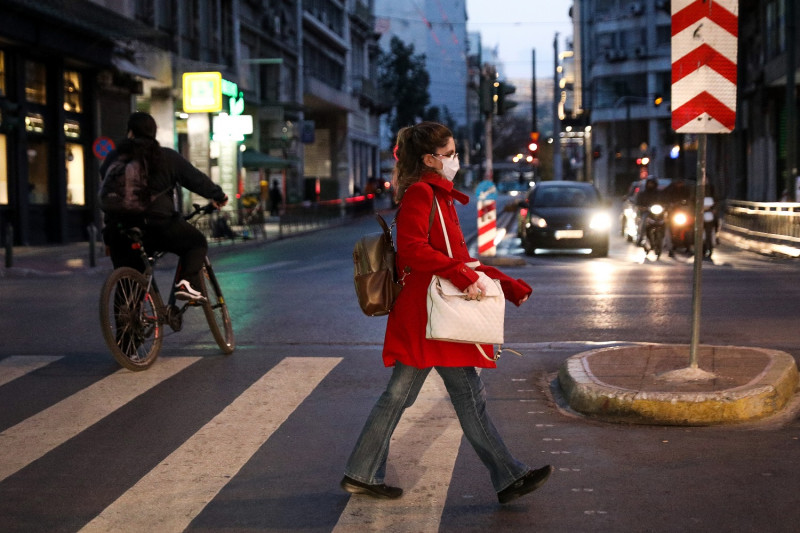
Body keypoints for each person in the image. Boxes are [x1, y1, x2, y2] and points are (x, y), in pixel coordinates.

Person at [340, 121, 553, 505]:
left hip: (436, 313)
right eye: (450, 153)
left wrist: (498, 281)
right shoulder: (423, 194)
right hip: (429, 314)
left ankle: (506, 476)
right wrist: (461, 274)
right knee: (422, 396)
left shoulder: (438, 195)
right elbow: (414, 250)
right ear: (429, 159)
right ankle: (506, 476)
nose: (456, 159)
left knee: (443, 396)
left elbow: (455, 256)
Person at [100, 112, 228, 302]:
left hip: (119, 229)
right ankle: (186, 282)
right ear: (154, 133)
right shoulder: (166, 157)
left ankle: (126, 330)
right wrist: (217, 195)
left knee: (127, 286)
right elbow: (195, 179)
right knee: (197, 243)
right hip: (158, 226)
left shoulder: (113, 159)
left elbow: (110, 193)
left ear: (130, 133)